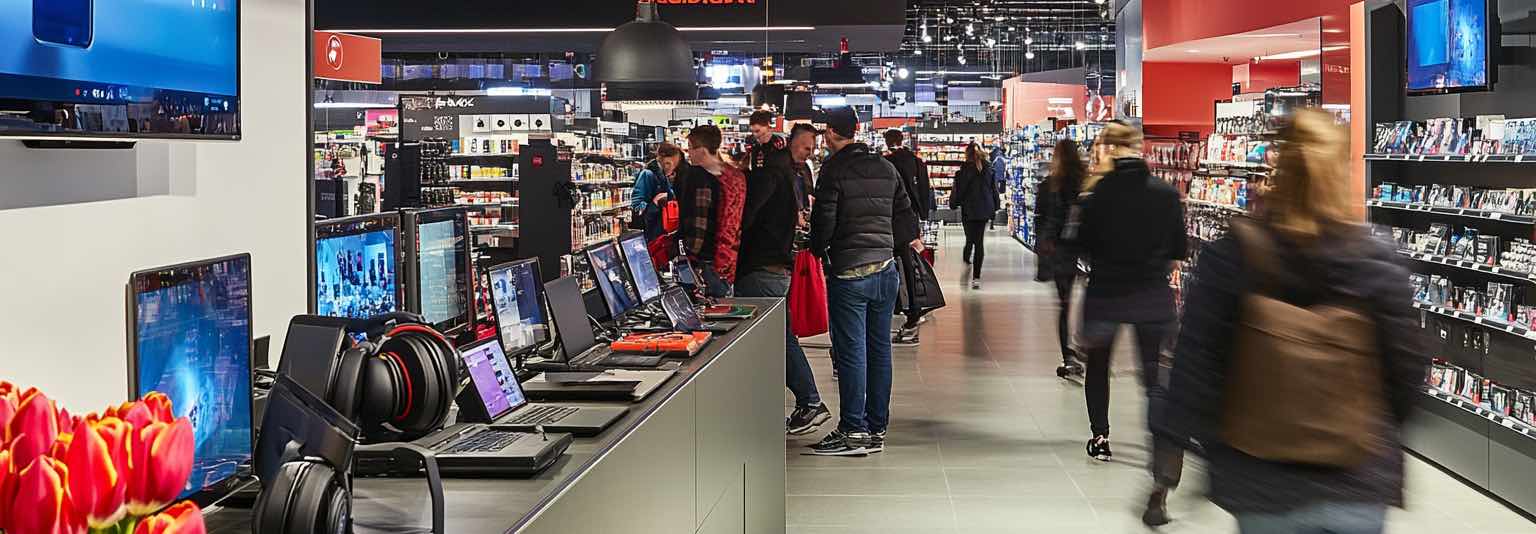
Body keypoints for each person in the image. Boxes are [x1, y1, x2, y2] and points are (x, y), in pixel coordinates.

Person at [1163, 109, 1425, 533]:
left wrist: (1195, 444)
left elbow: (1196, 366)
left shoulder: (1233, 255)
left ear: (1278, 169)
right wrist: (1376, 432)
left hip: (1263, 480)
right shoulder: (1375, 258)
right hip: (1356, 478)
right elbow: (1407, 373)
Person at [1063, 121, 1186, 525]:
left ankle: (1100, 436)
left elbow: (1077, 247)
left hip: (1106, 295)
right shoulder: (1167, 195)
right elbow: (1178, 249)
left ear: (1110, 150)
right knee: (1157, 383)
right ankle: (1161, 469)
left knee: (1098, 367)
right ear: (1140, 149)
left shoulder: (1094, 196)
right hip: (1153, 298)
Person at [805, 107, 921, 457]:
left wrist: (816, 246)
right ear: (856, 130)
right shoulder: (885, 167)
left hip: (850, 272)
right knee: (879, 349)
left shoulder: (834, 169)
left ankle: (853, 430)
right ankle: (876, 427)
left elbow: (824, 220)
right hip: (885, 270)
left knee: (851, 351)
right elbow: (905, 217)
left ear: (829, 133)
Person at [737, 122, 830, 436]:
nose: (808, 154)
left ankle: (810, 400)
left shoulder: (772, 178)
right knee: (778, 336)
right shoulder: (791, 178)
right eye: (805, 147)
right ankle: (801, 402)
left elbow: (746, 219)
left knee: (779, 338)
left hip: (763, 266)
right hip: (779, 266)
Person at [677, 125, 746, 298]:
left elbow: (698, 225)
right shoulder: (737, 176)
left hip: (708, 262)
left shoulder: (701, 178)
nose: (688, 154)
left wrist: (687, 256)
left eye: (690, 148)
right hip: (730, 259)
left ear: (701, 150)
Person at [1035, 139, 1086, 374]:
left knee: (1065, 305)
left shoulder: (1049, 185)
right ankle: (1083, 347)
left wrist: (1043, 251)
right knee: (1087, 300)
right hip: (1083, 249)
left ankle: (1068, 355)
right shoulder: (1086, 184)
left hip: (1058, 252)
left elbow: (1041, 220)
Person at [884, 129, 930, 345]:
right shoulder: (917, 161)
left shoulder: (886, 163)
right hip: (911, 219)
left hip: (893, 220)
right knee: (909, 263)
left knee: (892, 263)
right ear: (902, 140)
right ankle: (912, 305)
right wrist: (922, 216)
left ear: (886, 142)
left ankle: (905, 307)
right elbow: (924, 190)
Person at [950, 142, 998, 289]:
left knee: (970, 237)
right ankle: (976, 277)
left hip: (969, 210)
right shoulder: (989, 170)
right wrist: (995, 207)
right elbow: (993, 190)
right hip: (984, 209)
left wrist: (954, 203)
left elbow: (960, 192)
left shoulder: (963, 172)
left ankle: (966, 257)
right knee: (979, 242)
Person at [630, 143, 686, 242]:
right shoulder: (647, 174)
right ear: (662, 159)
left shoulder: (664, 177)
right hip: (651, 235)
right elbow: (636, 208)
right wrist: (655, 203)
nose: (673, 168)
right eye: (671, 163)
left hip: (661, 234)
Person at [741, 109, 790, 174]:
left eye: (757, 131)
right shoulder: (751, 141)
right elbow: (746, 162)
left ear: (768, 126)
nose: (755, 135)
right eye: (752, 131)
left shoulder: (779, 141)